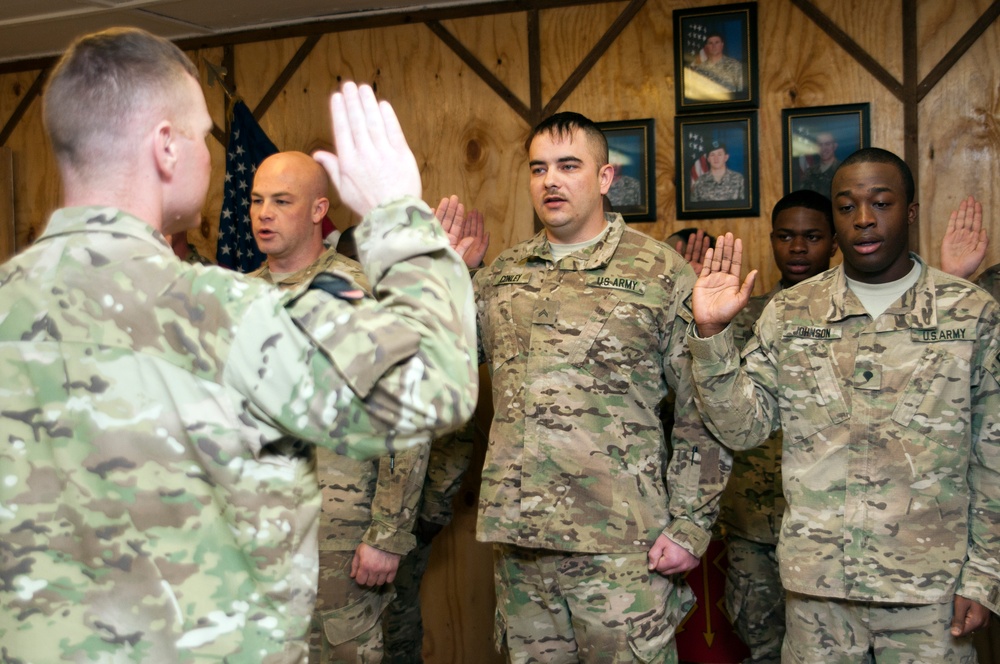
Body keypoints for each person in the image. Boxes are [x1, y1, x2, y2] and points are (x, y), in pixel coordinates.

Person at [0, 27, 478, 663]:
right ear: (166, 147)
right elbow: (436, 388)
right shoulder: (218, 313)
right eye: (201, 136)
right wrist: (399, 216)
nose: (210, 158)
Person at [689, 148, 1000, 661]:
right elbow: (742, 429)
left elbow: (992, 457)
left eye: (881, 203)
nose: (864, 219)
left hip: (930, 594)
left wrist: (985, 573)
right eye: (847, 206)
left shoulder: (969, 312)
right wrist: (711, 334)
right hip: (819, 593)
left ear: (911, 212)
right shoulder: (792, 311)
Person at [474, 111, 730, 662]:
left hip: (622, 546)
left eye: (569, 166)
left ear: (606, 178)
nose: (551, 181)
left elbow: (701, 407)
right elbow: (440, 368)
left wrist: (690, 523)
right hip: (521, 545)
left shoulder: (658, 272)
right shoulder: (502, 274)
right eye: (538, 168)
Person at [247, 150, 431, 662]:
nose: (264, 212)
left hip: (340, 538)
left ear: (316, 209)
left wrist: (388, 533)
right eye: (257, 200)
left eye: (281, 201)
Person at [719, 189, 837, 664]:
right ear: (771, 240)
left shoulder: (853, 319)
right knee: (762, 646)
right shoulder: (742, 313)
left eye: (812, 237)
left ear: (834, 241)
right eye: (786, 236)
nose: (797, 248)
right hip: (752, 517)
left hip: (827, 525)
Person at [800, 131, 840, 196]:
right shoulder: (809, 172)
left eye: (827, 144)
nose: (823, 148)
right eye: (819, 145)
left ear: (835, 146)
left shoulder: (842, 170)